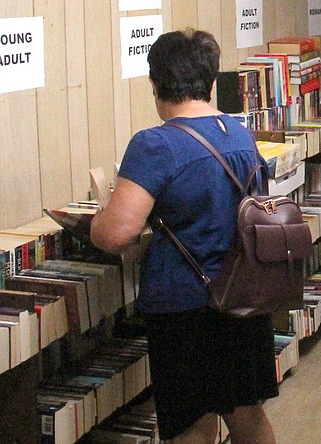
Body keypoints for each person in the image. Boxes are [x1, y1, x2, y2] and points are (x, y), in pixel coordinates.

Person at [91, 29, 277, 444]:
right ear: (211, 83)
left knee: (192, 424)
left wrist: (93, 222)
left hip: (186, 306)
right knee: (248, 416)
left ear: (156, 84)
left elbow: (117, 234)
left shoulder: (155, 145)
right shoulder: (240, 134)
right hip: (244, 295)